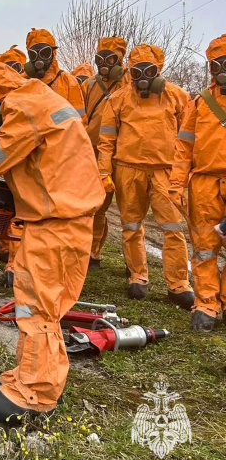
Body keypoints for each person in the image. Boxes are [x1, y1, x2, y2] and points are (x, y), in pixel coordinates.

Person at [0, 60, 103, 423]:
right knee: (28, 303)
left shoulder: (24, 105)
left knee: (38, 309)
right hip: (49, 220)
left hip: (59, 224)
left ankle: (36, 394)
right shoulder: (38, 97)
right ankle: (25, 375)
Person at [97, 44, 194, 307]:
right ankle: (137, 276)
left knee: (173, 227)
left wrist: (185, 172)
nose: (142, 76)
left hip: (166, 171)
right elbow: (106, 140)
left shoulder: (177, 96)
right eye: (137, 70)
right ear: (130, 70)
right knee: (131, 225)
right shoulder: (118, 99)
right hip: (128, 170)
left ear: (158, 70)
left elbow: (188, 139)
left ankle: (178, 284)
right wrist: (104, 171)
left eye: (148, 70)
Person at [169, 33, 226, 331]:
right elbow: (184, 148)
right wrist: (176, 184)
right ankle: (206, 303)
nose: (221, 71)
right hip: (204, 184)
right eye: (217, 65)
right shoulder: (200, 103)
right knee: (204, 247)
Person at [82, 37, 131, 269]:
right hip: (93, 152)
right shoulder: (90, 85)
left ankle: (134, 266)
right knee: (97, 206)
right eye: (100, 58)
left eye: (110, 59)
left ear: (120, 60)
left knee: (130, 212)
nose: (104, 63)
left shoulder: (131, 83)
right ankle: (93, 252)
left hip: (125, 155)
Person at [0, 45, 28, 286]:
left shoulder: (30, 95)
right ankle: (7, 251)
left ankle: (15, 265)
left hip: (25, 159)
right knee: (3, 205)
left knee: (22, 212)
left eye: (14, 68)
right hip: (5, 157)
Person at [24, 28, 87, 124]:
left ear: (53, 53)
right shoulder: (23, 82)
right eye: (33, 55)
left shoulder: (68, 81)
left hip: (62, 137)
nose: (39, 59)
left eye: (45, 53)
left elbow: (79, 118)